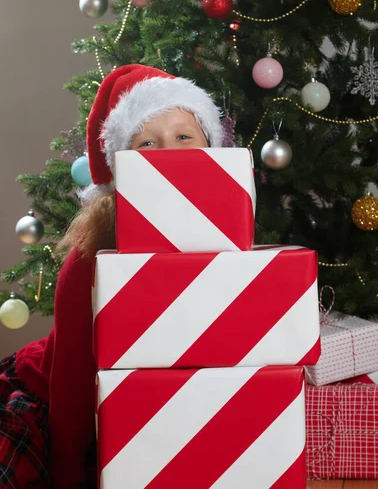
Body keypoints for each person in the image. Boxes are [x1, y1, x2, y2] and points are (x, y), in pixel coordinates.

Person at [0, 64, 223, 488]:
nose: (169, 154)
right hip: (58, 397)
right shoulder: (91, 259)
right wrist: (66, 468)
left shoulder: (223, 237)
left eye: (183, 136)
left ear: (209, 145)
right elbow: (72, 377)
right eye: (147, 143)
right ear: (120, 164)